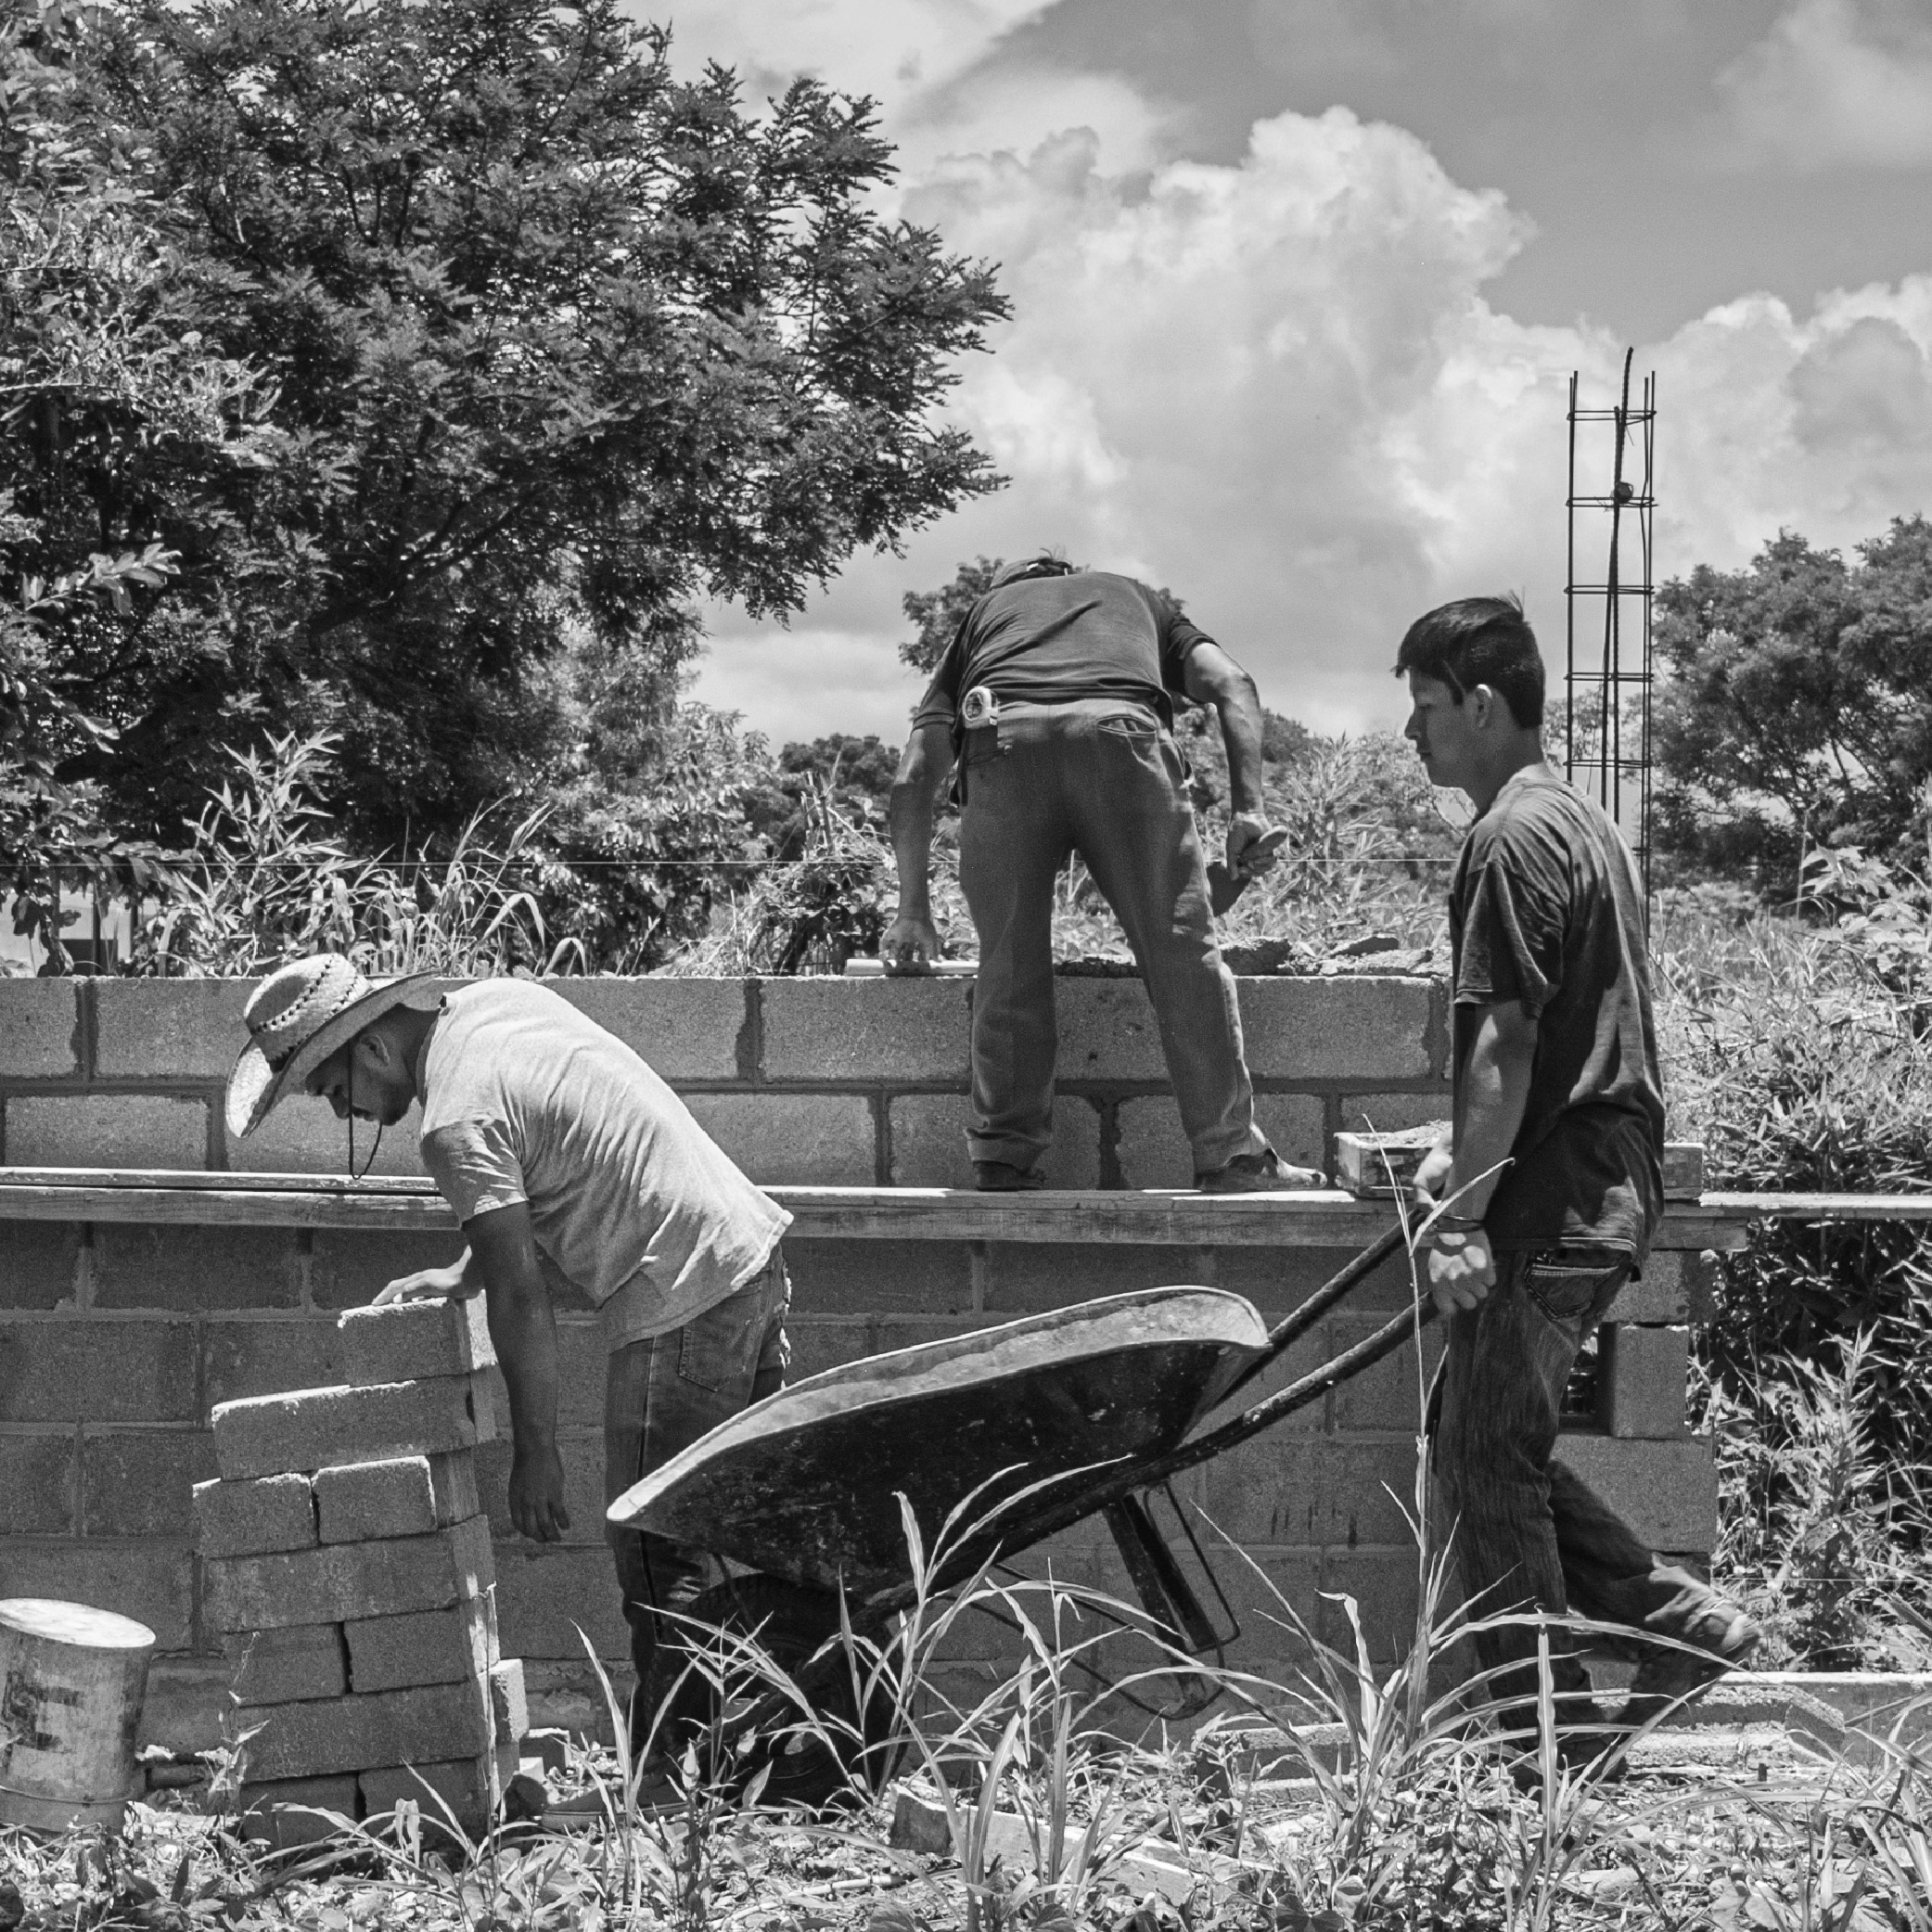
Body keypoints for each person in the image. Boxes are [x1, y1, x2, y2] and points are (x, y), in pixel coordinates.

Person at [224, 956, 791, 1747]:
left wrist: (537, 1452)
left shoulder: (450, 1122)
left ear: (376, 1050)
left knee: (661, 1555)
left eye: (331, 1092)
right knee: (751, 1541)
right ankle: (794, 1763)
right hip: (748, 1265)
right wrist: (464, 1271)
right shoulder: (492, 1007)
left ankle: (675, 1785)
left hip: (684, 1299)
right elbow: (557, 1157)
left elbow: (521, 1296)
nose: (341, 1110)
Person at [1397, 595, 1758, 1770]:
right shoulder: (1583, 823)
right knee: (1480, 1432)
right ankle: (1673, 1620)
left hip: (1556, 1197)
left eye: (1428, 708)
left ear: (1484, 704)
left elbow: (1502, 1040)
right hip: (1598, 1181)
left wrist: (1457, 1216)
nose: (1415, 735)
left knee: (1482, 1460)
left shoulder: (1508, 836)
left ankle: (1542, 1746)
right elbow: (1568, 1037)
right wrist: (1465, 1151)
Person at [883, 555, 1320, 1193]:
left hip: (1001, 740)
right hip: (1121, 735)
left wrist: (912, 910)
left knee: (1006, 963)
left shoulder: (984, 617)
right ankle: (1229, 1156)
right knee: (1182, 956)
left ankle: (1003, 1155)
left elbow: (913, 775)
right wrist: (1248, 810)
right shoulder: (1133, 598)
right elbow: (1233, 683)